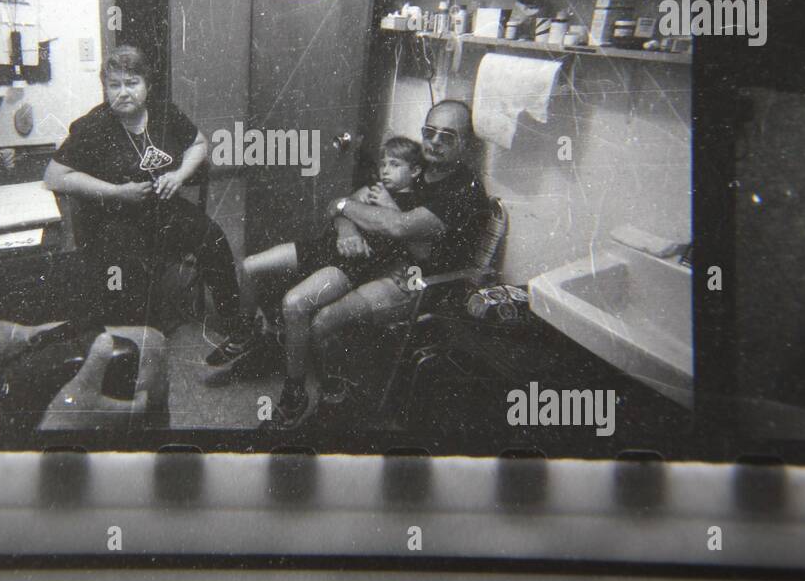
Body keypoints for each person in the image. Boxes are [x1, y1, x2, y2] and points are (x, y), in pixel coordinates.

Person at [260, 99, 489, 429]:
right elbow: (342, 206)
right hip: (385, 263)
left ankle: (333, 400)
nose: (435, 141)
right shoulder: (416, 169)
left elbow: (398, 227)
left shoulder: (463, 190)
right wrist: (346, 221)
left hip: (422, 282)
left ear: (465, 143)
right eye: (430, 131)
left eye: (448, 136)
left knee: (324, 320)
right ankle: (316, 389)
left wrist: (348, 208)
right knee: (301, 302)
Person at [44, 45, 242, 328]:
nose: (123, 92)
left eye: (132, 83)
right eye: (115, 85)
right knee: (125, 273)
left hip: (162, 210)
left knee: (214, 238)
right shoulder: (93, 125)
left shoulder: (164, 113)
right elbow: (55, 175)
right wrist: (116, 192)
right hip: (113, 220)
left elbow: (199, 143)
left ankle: (232, 318)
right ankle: (135, 338)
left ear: (147, 86)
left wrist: (179, 176)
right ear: (106, 88)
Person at [207, 136, 427, 383]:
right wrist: (348, 228)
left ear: (415, 170)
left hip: (347, 264)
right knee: (249, 266)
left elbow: (414, 242)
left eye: (395, 165)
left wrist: (389, 206)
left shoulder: (415, 208)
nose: (386, 170)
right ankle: (245, 333)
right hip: (322, 246)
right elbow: (336, 210)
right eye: (384, 164)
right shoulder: (372, 190)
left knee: (294, 303)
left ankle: (295, 386)